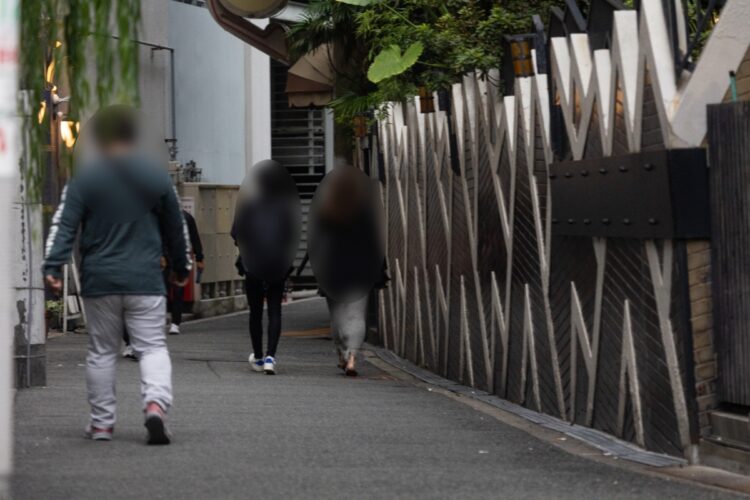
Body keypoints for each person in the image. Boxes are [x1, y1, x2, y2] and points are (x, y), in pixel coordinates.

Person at [43, 106, 192, 445]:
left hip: (100, 280)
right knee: (152, 348)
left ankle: (101, 424)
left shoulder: (85, 178)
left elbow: (64, 225)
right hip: (145, 280)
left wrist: (53, 265)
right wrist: (181, 267)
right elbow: (176, 227)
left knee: (101, 352)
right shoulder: (155, 176)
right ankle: (155, 405)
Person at [232, 160, 301, 375]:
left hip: (253, 265)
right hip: (277, 265)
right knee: (274, 310)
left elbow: (236, 234)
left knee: (255, 312)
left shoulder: (249, 206)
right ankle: (271, 357)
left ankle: (258, 357)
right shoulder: (285, 208)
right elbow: (292, 237)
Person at [167, 209, 204, 335]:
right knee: (164, 291)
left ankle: (175, 322)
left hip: (180, 258)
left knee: (177, 290)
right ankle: (170, 320)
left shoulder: (187, 218)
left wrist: (199, 258)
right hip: (164, 258)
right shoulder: (160, 216)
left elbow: (194, 238)